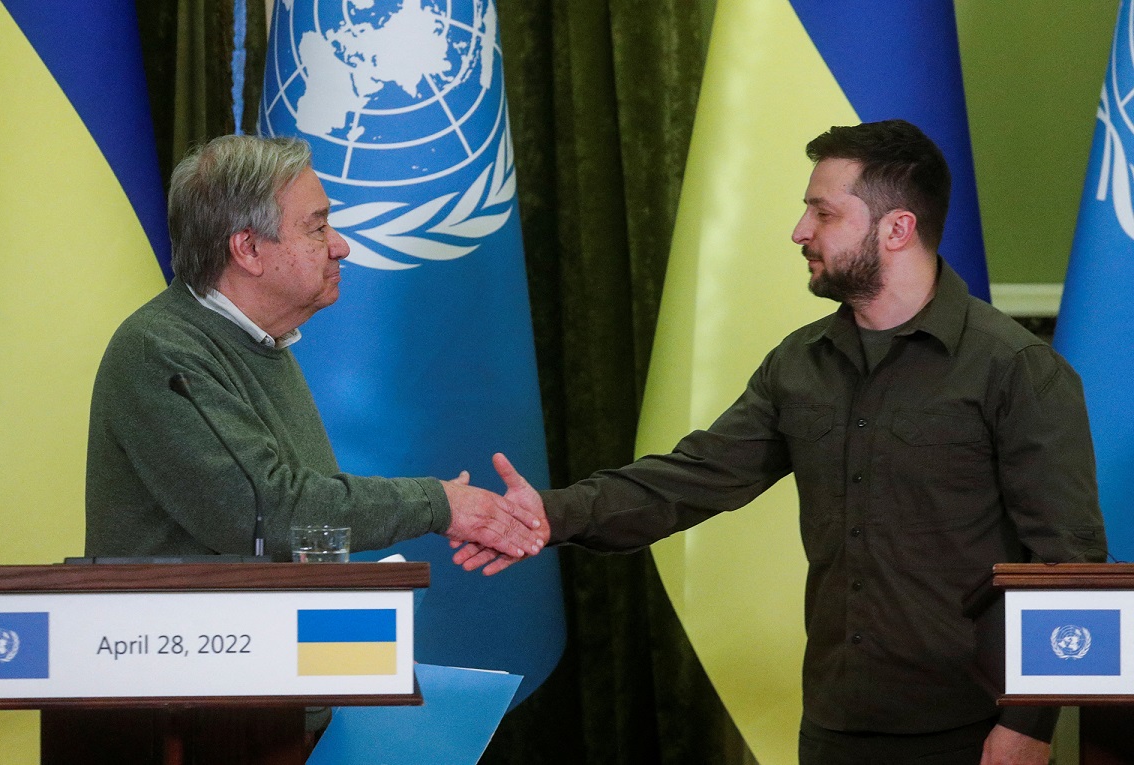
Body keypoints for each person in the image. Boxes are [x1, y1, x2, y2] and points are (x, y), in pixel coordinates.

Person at [455, 120, 1108, 764]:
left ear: (897, 228)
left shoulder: (1015, 368)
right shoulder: (799, 364)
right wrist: (548, 514)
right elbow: (691, 478)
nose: (800, 231)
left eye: (823, 213)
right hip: (833, 725)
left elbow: (1071, 563)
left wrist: (1030, 725)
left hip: (972, 730)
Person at [85, 134, 546, 564]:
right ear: (248, 248)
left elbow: (300, 531)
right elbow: (265, 513)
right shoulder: (162, 352)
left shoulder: (262, 343)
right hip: (185, 626)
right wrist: (437, 504)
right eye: (318, 227)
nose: (340, 247)